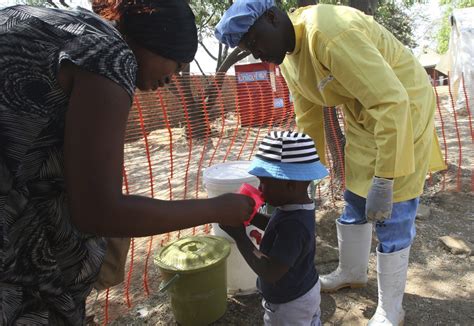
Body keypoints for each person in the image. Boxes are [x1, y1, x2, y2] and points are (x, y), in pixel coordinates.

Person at [0, 1, 255, 324]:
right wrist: (218, 209)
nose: (172, 78)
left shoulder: (62, 27)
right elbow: (99, 212)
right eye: (176, 64)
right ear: (157, 41)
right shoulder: (109, 55)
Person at [214, 1, 446, 325]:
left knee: (392, 213)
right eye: (248, 49)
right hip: (365, 120)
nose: (258, 54)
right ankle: (352, 272)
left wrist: (386, 177)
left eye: (255, 42)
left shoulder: (329, 32)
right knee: (354, 198)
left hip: (403, 112)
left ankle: (391, 308)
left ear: (271, 17)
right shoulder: (289, 59)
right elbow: (308, 117)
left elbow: (391, 101)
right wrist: (302, 177)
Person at [220, 131, 329, 326]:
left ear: (290, 185)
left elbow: (271, 272)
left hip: (289, 304)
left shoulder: (294, 225)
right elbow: (277, 225)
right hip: (305, 288)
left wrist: (240, 237)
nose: (259, 188)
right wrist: (252, 216)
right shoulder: (297, 207)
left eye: (265, 182)